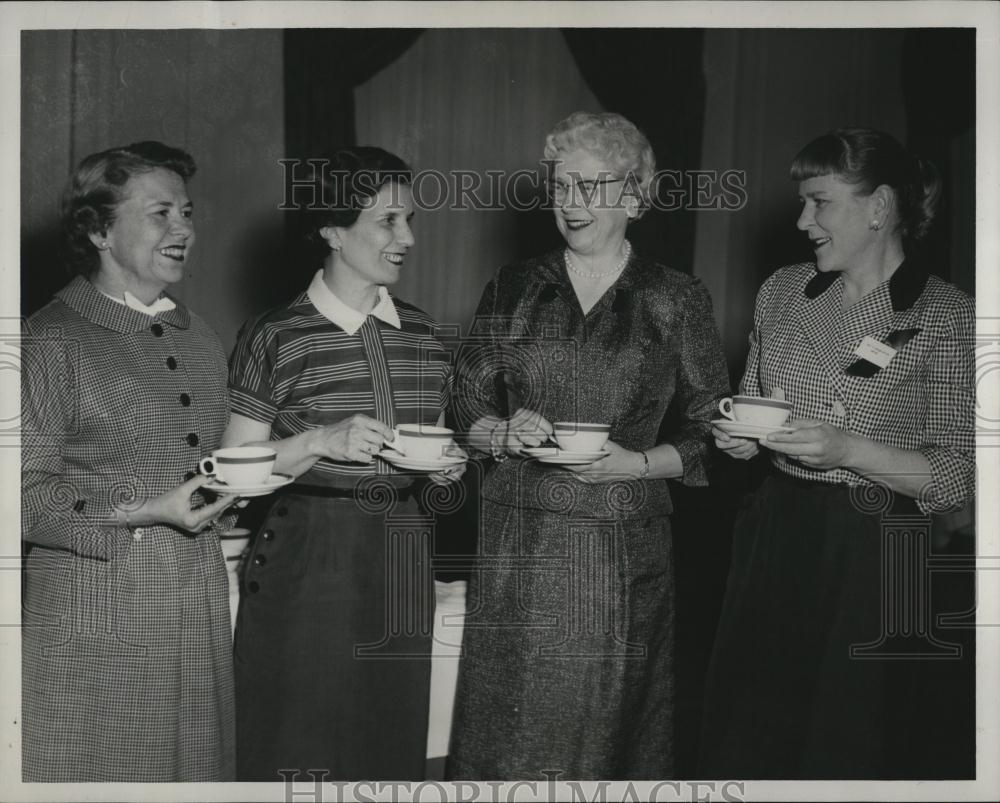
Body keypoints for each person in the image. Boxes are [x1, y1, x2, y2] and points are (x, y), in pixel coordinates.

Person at [447, 111, 730, 780]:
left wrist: (639, 462)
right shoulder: (515, 286)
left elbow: (711, 425)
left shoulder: (675, 297)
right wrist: (501, 430)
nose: (570, 204)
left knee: (606, 739)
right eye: (560, 186)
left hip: (619, 550)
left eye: (589, 187)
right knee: (508, 734)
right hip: (521, 542)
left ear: (633, 196)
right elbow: (465, 397)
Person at [699, 128, 975, 779]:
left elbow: (958, 473)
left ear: (878, 207)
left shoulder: (945, 314)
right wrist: (737, 437)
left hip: (874, 549)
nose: (802, 220)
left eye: (819, 202)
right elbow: (748, 402)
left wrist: (848, 447)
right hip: (772, 534)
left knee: (842, 741)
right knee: (748, 730)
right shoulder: (784, 290)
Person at [225, 146, 460, 781]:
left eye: (409, 220)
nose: (407, 237)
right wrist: (317, 442)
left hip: (403, 552)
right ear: (332, 229)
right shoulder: (277, 333)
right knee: (295, 747)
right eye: (388, 221)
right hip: (308, 554)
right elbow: (234, 469)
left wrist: (445, 463)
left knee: (389, 746)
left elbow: (431, 438)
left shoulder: (422, 332)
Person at [21, 141, 238, 781]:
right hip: (95, 618)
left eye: (188, 212)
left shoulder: (198, 336)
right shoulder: (48, 338)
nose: (184, 230)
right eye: (160, 213)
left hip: (193, 608)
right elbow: (21, 493)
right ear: (98, 230)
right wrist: (149, 510)